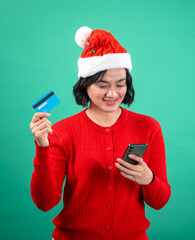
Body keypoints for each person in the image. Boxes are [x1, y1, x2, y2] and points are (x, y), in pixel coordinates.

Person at [29, 26, 171, 240]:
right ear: (85, 86)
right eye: (102, 85)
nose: (113, 93)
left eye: (120, 84)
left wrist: (149, 179)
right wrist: (42, 147)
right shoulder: (61, 131)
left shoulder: (148, 126)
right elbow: (45, 203)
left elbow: (159, 202)